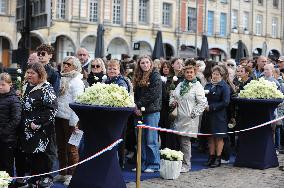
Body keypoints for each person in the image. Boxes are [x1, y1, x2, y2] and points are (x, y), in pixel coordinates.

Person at [20, 62, 58, 187]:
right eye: (28, 72)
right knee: (31, 155)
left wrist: (37, 123)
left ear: (40, 74)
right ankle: (34, 178)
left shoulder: (46, 88)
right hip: (26, 129)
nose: (29, 75)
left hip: (42, 129)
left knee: (42, 156)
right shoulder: (26, 85)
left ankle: (44, 179)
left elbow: (52, 109)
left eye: (33, 73)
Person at [170, 64, 207, 172]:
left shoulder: (197, 86)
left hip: (189, 118)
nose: (189, 74)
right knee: (179, 141)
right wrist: (172, 103)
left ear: (195, 73)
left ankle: (187, 164)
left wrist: (193, 114)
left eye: (191, 72)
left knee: (185, 142)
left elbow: (203, 103)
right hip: (178, 117)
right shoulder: (181, 84)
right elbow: (173, 96)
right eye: (187, 72)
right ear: (184, 73)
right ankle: (179, 162)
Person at [54, 56, 84, 186]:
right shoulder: (60, 78)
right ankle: (63, 172)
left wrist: (75, 122)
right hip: (59, 117)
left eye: (69, 64)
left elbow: (78, 102)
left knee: (72, 148)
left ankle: (72, 174)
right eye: (64, 63)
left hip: (71, 119)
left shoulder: (77, 81)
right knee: (61, 147)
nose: (65, 66)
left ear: (75, 67)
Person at [133, 55, 162, 173]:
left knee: (151, 140)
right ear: (139, 65)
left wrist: (138, 105)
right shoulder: (138, 76)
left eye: (147, 62)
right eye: (142, 63)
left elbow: (153, 94)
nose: (145, 65)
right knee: (140, 139)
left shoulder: (155, 76)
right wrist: (135, 106)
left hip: (151, 111)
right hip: (138, 111)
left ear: (151, 63)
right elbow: (134, 93)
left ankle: (154, 164)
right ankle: (142, 163)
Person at [204, 65, 230, 168]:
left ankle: (218, 158)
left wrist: (211, 107)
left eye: (217, 74)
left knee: (219, 137)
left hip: (219, 116)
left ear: (222, 76)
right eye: (213, 74)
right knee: (210, 137)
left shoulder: (224, 86)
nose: (214, 76)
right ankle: (211, 157)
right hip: (208, 115)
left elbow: (226, 102)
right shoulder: (208, 85)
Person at [0, 73, 21, 176]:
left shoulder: (14, 100)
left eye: (3, 84)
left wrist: (3, 132)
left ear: (10, 84)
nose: (0, 87)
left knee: (7, 166)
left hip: (8, 139)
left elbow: (16, 120)